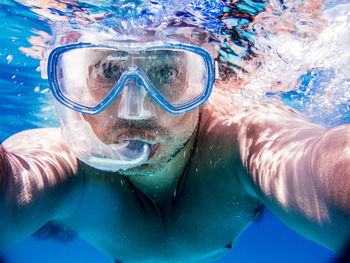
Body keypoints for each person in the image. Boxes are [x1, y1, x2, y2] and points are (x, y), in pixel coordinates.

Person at [0, 22, 349, 263]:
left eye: (166, 71)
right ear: (74, 83)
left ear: (202, 83)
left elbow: (317, 163)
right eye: (108, 71)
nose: (135, 111)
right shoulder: (65, 161)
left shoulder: (243, 140)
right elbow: (14, 183)